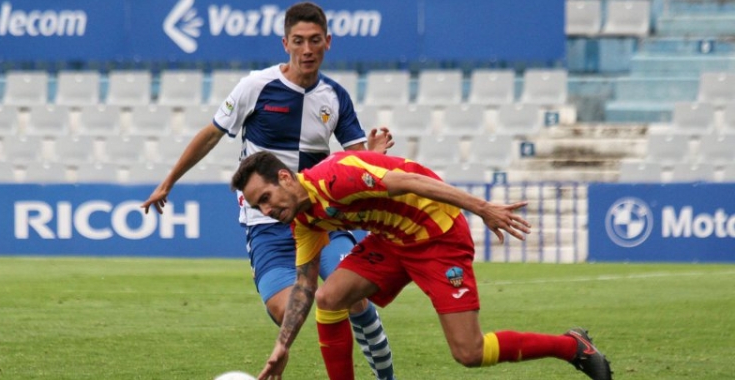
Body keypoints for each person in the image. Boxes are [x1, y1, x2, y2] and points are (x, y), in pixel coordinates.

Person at [141, 2, 396, 379]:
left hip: (320, 217)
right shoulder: (255, 86)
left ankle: (385, 377)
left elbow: (356, 161)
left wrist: (373, 156)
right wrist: (169, 181)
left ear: (328, 42)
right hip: (267, 224)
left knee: (351, 295)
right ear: (285, 43)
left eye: (314, 41)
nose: (306, 50)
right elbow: (212, 133)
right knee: (284, 311)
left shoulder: (335, 97)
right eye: (298, 41)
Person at [232, 150, 614, 380]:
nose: (267, 210)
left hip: (437, 236)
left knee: (470, 353)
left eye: (266, 197)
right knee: (329, 298)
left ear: (285, 177)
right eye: (258, 207)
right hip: (393, 242)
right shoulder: (304, 219)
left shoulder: (335, 179)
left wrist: (482, 208)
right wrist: (282, 347)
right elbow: (305, 285)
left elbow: (413, 180)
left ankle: (572, 347)